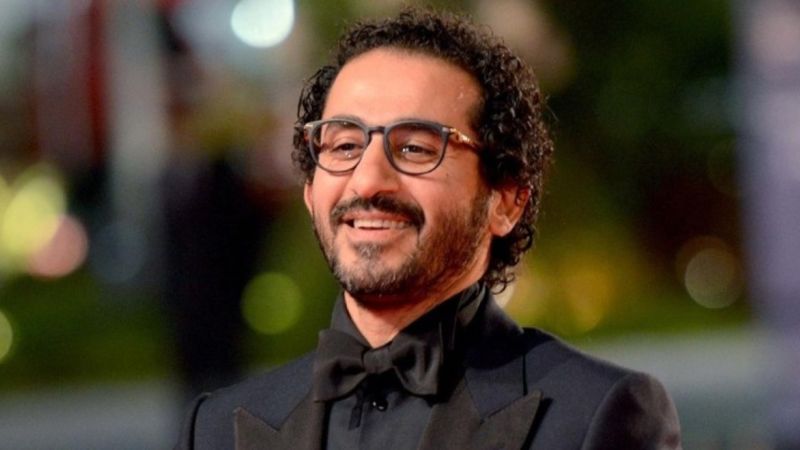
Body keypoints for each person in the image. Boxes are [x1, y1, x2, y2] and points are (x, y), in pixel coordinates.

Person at [176, 7, 681, 450]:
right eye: (345, 146)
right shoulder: (217, 429)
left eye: (416, 148)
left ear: (506, 200)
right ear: (310, 192)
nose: (368, 180)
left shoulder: (594, 415)